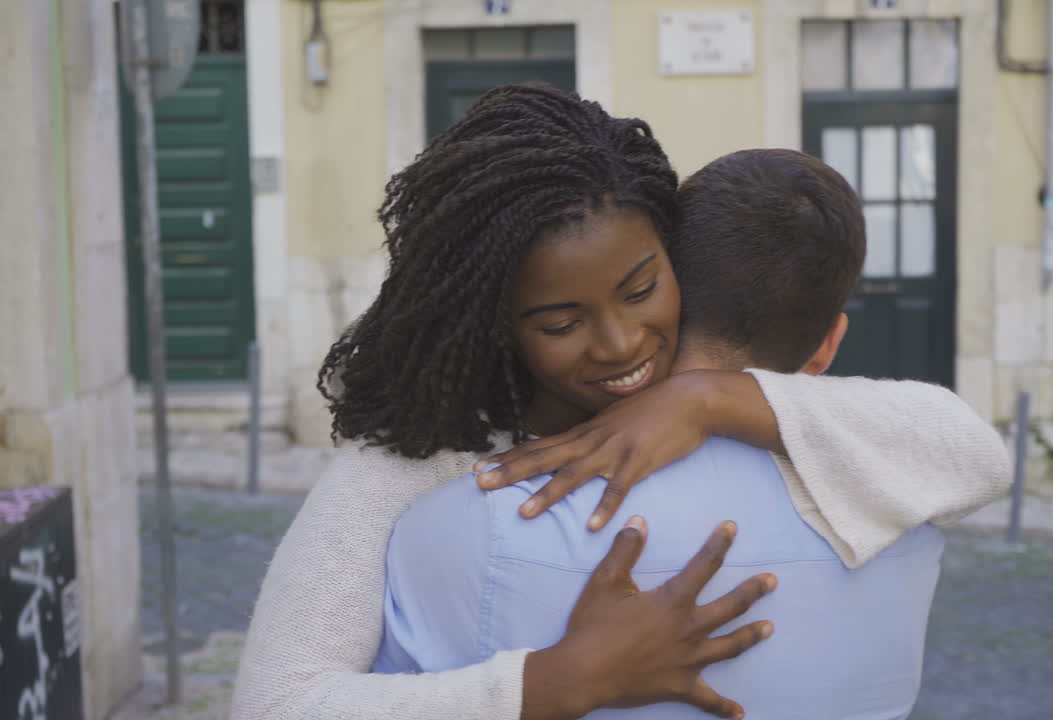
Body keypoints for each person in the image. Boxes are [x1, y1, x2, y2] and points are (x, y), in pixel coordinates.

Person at [231, 85, 1009, 720]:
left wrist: (712, 399)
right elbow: (273, 704)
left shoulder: (714, 404)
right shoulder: (411, 464)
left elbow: (970, 449)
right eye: (560, 322)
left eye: (642, 288)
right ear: (491, 323)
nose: (619, 343)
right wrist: (557, 682)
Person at [374, 149, 946, 719]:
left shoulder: (467, 526)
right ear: (829, 344)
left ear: (673, 288)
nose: (620, 345)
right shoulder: (909, 513)